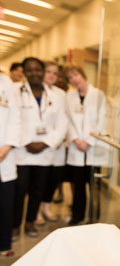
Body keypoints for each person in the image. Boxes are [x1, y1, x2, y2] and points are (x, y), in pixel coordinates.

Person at [12, 57, 68, 239]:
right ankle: (15, 225)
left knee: (38, 189)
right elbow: (11, 120)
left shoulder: (56, 96)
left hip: (45, 152)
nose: (34, 73)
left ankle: (30, 222)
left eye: (38, 69)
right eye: (30, 70)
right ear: (24, 72)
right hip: (22, 150)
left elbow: (62, 124)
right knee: (19, 190)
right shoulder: (15, 92)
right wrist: (26, 141)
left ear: (43, 72)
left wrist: (45, 143)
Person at [64, 64, 109, 225]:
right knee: (77, 186)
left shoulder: (98, 94)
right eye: (69, 78)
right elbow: (67, 120)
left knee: (94, 186)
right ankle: (78, 215)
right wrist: (76, 139)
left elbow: (102, 120)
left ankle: (94, 217)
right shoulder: (69, 96)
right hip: (76, 147)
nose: (73, 80)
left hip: (92, 147)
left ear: (82, 74)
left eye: (75, 75)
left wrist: (89, 142)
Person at [35, 61, 67, 224]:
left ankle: (46, 208)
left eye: (55, 73)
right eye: (48, 72)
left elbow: (65, 119)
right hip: (40, 144)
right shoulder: (35, 90)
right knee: (40, 180)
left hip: (58, 146)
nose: (51, 76)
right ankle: (36, 213)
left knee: (53, 179)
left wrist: (60, 138)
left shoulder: (61, 93)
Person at [0, 73, 21, 257]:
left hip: (4, 155)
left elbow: (15, 118)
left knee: (5, 202)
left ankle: (3, 243)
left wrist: (6, 147)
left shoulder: (7, 83)